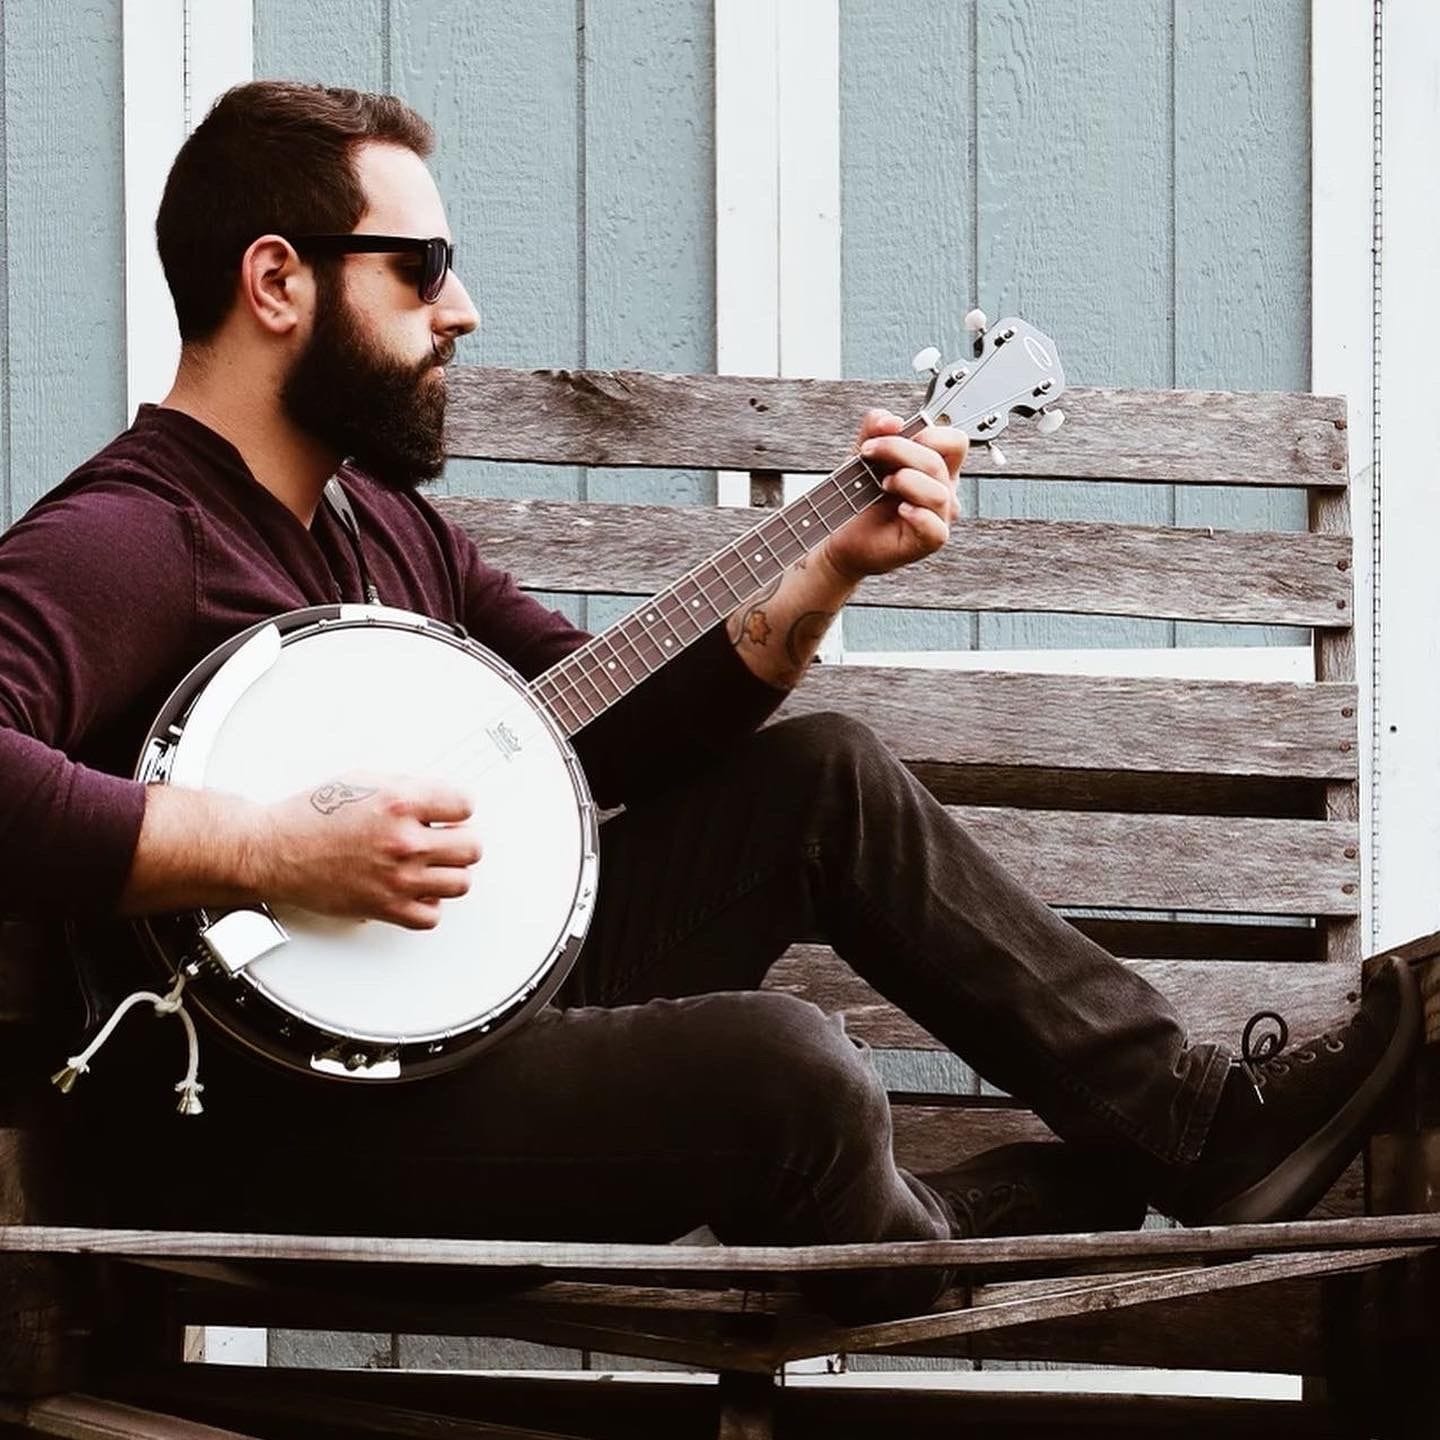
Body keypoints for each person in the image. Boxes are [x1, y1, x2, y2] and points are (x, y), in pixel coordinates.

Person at [0, 81, 1419, 1321]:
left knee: (826, 780)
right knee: (783, 1069)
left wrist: (822, 579)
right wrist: (267, 849)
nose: (463, 308)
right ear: (275, 281)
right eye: (421, 267)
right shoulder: (136, 537)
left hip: (443, 1036)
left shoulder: (379, 530)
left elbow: (605, 723)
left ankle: (1192, 1130)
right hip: (272, 1142)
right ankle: (951, 1249)